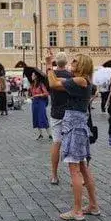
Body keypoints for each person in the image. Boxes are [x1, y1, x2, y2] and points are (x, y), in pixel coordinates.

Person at [47, 53, 99, 221]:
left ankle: (77, 210)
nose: (72, 62)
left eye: (75, 61)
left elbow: (53, 84)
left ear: (82, 65)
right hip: (78, 126)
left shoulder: (80, 81)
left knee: (74, 169)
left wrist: (49, 65)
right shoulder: (83, 81)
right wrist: (52, 70)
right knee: (82, 167)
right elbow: (57, 81)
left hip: (74, 127)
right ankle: (93, 206)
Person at [49, 53, 72, 185]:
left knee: (56, 143)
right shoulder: (71, 76)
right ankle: (74, 175)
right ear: (66, 62)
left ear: (56, 63)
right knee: (71, 144)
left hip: (56, 113)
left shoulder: (51, 75)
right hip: (69, 112)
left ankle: (54, 175)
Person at [29, 73, 51, 139]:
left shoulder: (41, 84)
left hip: (41, 102)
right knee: (36, 117)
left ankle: (49, 134)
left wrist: (37, 95)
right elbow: (31, 94)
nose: (31, 76)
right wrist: (31, 96)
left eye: (32, 75)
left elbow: (46, 93)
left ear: (36, 76)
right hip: (34, 102)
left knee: (43, 117)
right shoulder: (32, 85)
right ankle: (40, 134)